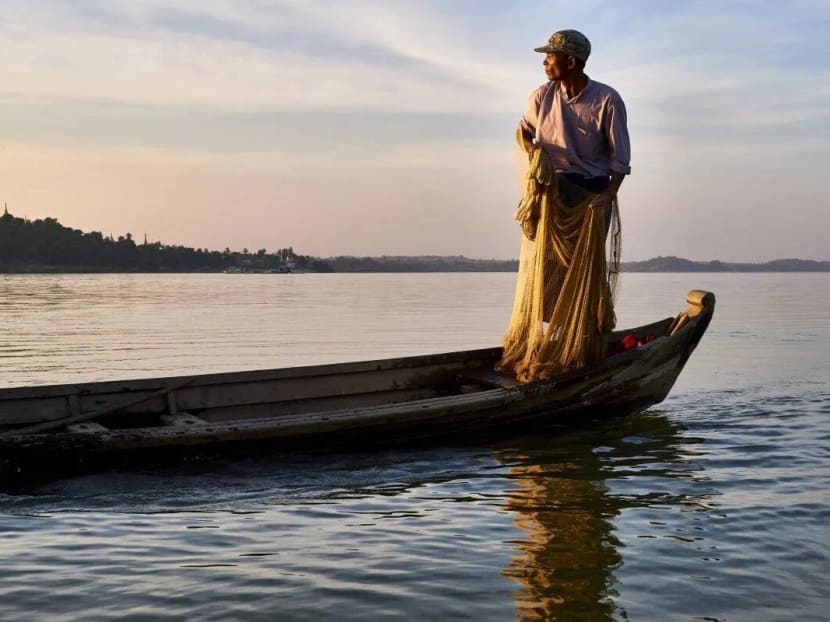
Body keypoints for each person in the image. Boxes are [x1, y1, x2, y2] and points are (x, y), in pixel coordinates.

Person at [518, 29, 630, 227]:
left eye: (551, 56)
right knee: (548, 258)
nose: (544, 62)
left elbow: (620, 159)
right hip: (552, 190)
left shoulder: (608, 100)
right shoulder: (541, 97)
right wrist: (533, 149)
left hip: (591, 193)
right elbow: (524, 132)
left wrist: (609, 194)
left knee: (585, 258)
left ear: (570, 62)